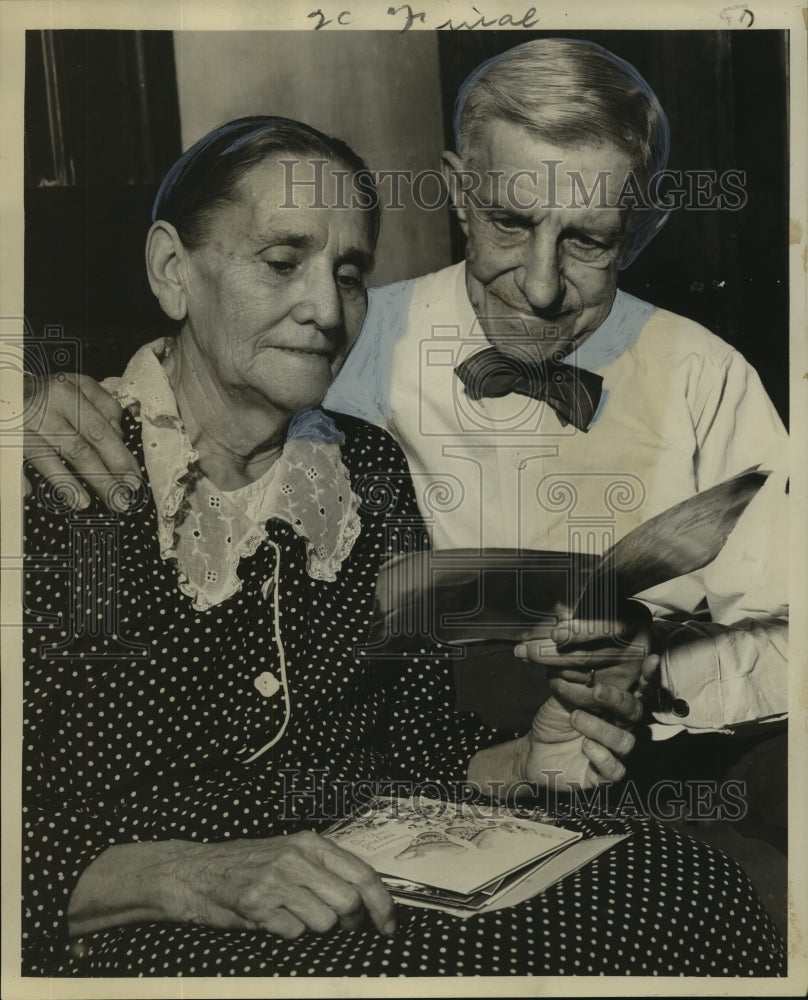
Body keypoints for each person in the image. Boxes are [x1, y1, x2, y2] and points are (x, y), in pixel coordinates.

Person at [21, 115, 785, 978]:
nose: (325, 309)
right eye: (282, 263)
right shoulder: (55, 473)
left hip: (358, 871)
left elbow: (412, 748)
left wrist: (526, 759)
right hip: (151, 912)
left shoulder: (364, 469)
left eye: (349, 274)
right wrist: (192, 876)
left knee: (691, 892)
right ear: (173, 270)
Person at [24, 39, 788, 746]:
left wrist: (658, 669)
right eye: (509, 223)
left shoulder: (706, 377)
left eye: (588, 240)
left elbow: (793, 638)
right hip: (418, 759)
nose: (543, 284)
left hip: (648, 753)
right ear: (458, 192)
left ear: (638, 228)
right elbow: (183, 388)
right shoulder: (330, 341)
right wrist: (30, 399)